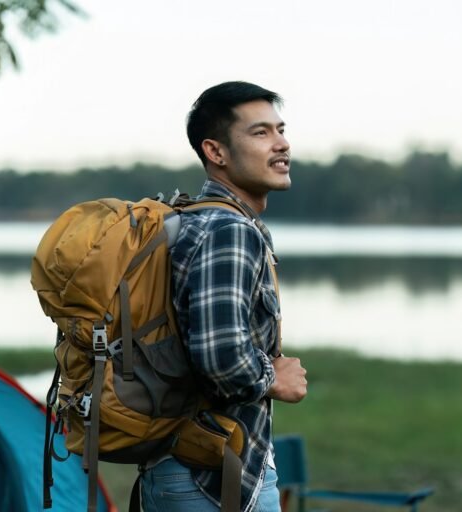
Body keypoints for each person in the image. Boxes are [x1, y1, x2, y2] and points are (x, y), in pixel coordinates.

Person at [140, 81, 308, 511]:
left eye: (280, 129)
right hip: (210, 480)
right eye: (261, 133)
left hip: (189, 469)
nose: (282, 144)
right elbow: (222, 359)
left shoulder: (198, 220)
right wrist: (276, 378)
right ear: (215, 152)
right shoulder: (229, 231)